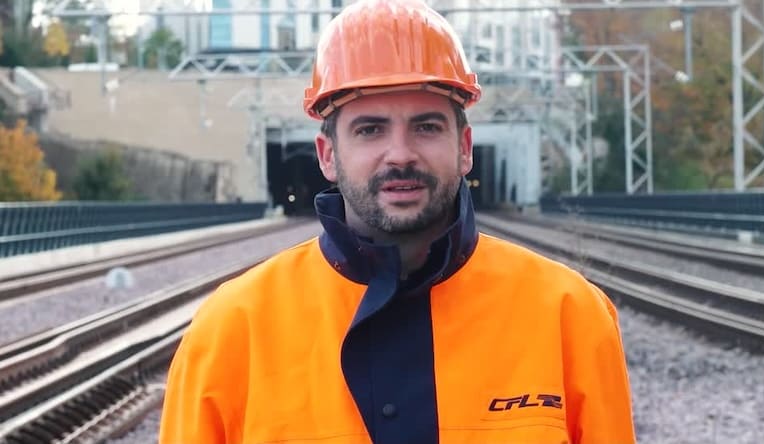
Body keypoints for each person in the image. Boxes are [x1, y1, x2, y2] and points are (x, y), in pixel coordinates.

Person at [159, 0, 636, 442]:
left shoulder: (567, 314)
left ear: (464, 147)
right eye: (370, 130)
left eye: (426, 127)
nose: (401, 155)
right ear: (327, 155)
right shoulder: (230, 331)